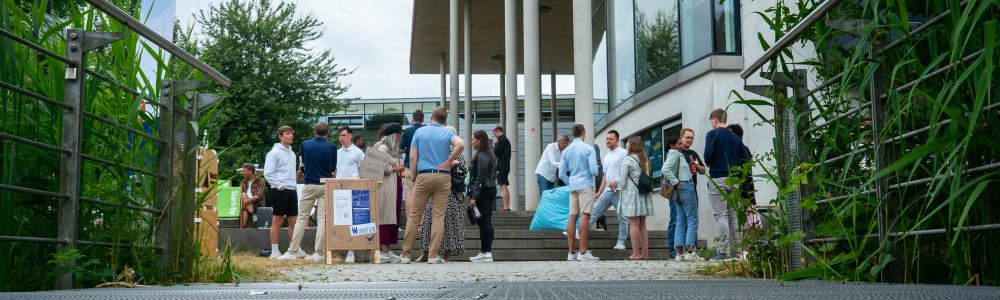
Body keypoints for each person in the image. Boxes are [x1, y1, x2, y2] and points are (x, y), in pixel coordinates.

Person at [401, 108, 465, 264]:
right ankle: (433, 256)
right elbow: (461, 144)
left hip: (424, 175)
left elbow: (413, 157)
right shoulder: (447, 133)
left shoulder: (420, 132)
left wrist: (415, 175)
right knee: (438, 217)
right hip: (443, 177)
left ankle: (406, 255)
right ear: (444, 120)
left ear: (431, 117)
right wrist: (449, 161)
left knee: (415, 216)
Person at [280, 122, 337, 261]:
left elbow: (304, 162)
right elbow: (333, 167)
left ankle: (292, 251)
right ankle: (319, 253)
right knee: (323, 220)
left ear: (314, 131)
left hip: (310, 184)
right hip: (326, 184)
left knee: (302, 218)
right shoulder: (332, 146)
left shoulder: (305, 144)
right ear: (327, 133)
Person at [704, 108, 751, 259]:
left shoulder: (712, 134)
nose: (711, 124)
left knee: (720, 216)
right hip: (735, 180)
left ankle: (724, 252)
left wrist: (712, 162)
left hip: (718, 177)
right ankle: (737, 251)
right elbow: (746, 158)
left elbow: (708, 157)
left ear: (715, 119)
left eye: (711, 121)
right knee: (733, 216)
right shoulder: (735, 138)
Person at [417, 126, 467, 262]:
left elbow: (465, 169)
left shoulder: (455, 152)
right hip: (437, 190)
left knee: (448, 224)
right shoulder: (439, 149)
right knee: (429, 221)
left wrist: (453, 162)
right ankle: (427, 252)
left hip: (451, 193)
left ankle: (445, 254)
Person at [560, 124, 600, 261]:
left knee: (572, 217)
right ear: (583, 132)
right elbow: (594, 171)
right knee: (585, 215)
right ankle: (583, 252)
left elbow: (561, 174)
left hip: (573, 186)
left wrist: (570, 182)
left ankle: (571, 253)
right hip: (585, 185)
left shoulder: (566, 150)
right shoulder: (589, 148)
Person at [667, 128, 706, 259]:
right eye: (687, 137)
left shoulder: (692, 153)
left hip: (687, 188)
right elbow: (665, 169)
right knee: (688, 219)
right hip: (683, 188)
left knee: (681, 219)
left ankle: (680, 253)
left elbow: (703, 170)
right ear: (680, 138)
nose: (689, 140)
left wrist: (696, 165)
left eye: (692, 138)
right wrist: (676, 182)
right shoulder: (676, 153)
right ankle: (688, 251)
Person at [589, 130, 630, 250]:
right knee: (594, 211)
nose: (608, 141)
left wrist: (617, 181)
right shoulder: (606, 156)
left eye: (610, 139)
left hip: (620, 190)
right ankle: (579, 233)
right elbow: (605, 176)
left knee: (622, 217)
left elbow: (626, 172)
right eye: (606, 139)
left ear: (617, 140)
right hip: (607, 191)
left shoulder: (624, 153)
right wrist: (599, 192)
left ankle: (621, 242)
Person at [264, 125, 298, 259]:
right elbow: (268, 172)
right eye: (287, 133)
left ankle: (294, 249)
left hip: (292, 189)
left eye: (291, 134)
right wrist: (278, 185)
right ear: (280, 136)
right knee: (277, 220)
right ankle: (274, 250)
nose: (290, 136)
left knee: (294, 221)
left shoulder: (292, 153)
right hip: (280, 190)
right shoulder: (274, 153)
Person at [373, 123, 405, 263]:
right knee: (386, 216)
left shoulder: (391, 149)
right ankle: (383, 250)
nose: (400, 136)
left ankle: (387, 249)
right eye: (399, 133)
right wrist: (396, 167)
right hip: (385, 187)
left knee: (392, 216)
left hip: (393, 185)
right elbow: (380, 167)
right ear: (394, 134)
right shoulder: (383, 147)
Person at [619, 136, 654, 260]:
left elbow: (622, 181)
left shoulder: (628, 159)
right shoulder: (644, 159)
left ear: (632, 145)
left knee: (633, 224)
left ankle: (635, 254)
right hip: (644, 194)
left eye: (627, 143)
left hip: (631, 194)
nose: (626, 145)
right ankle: (645, 254)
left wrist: (615, 185)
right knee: (642, 225)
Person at [336, 125, 366, 263]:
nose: (341, 138)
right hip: (338, 189)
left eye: (343, 135)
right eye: (340, 136)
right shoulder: (337, 152)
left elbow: (364, 171)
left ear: (350, 136)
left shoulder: (358, 152)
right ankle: (338, 248)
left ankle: (351, 251)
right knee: (340, 219)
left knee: (354, 221)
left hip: (354, 190)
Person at [468, 130, 497, 262]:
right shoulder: (485, 155)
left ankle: (485, 252)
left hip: (484, 190)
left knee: (484, 222)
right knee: (485, 221)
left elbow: (481, 177)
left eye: (473, 139)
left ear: (479, 140)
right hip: (488, 189)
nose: (471, 141)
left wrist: (474, 196)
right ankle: (485, 252)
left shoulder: (483, 156)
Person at [400, 110, 424, 216]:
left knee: (409, 192)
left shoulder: (407, 131)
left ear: (413, 119)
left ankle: (410, 221)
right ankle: (422, 222)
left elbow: (401, 149)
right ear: (422, 119)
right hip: (424, 167)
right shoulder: (425, 130)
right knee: (423, 193)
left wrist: (409, 150)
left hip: (409, 166)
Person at [239, 163, 265, 228]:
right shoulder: (243, 182)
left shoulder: (260, 180)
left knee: (244, 206)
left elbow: (258, 195)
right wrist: (245, 201)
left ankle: (243, 228)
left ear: (250, 172)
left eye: (244, 171)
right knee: (243, 194)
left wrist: (247, 201)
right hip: (246, 202)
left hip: (257, 202)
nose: (243, 173)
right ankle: (253, 215)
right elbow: (240, 194)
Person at [493, 125, 512, 211]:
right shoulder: (506, 140)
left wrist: (496, 144)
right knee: (504, 185)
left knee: (503, 186)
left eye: (495, 134)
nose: (495, 136)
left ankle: (506, 207)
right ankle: (506, 207)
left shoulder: (502, 140)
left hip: (501, 166)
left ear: (497, 131)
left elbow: (497, 152)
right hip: (505, 165)